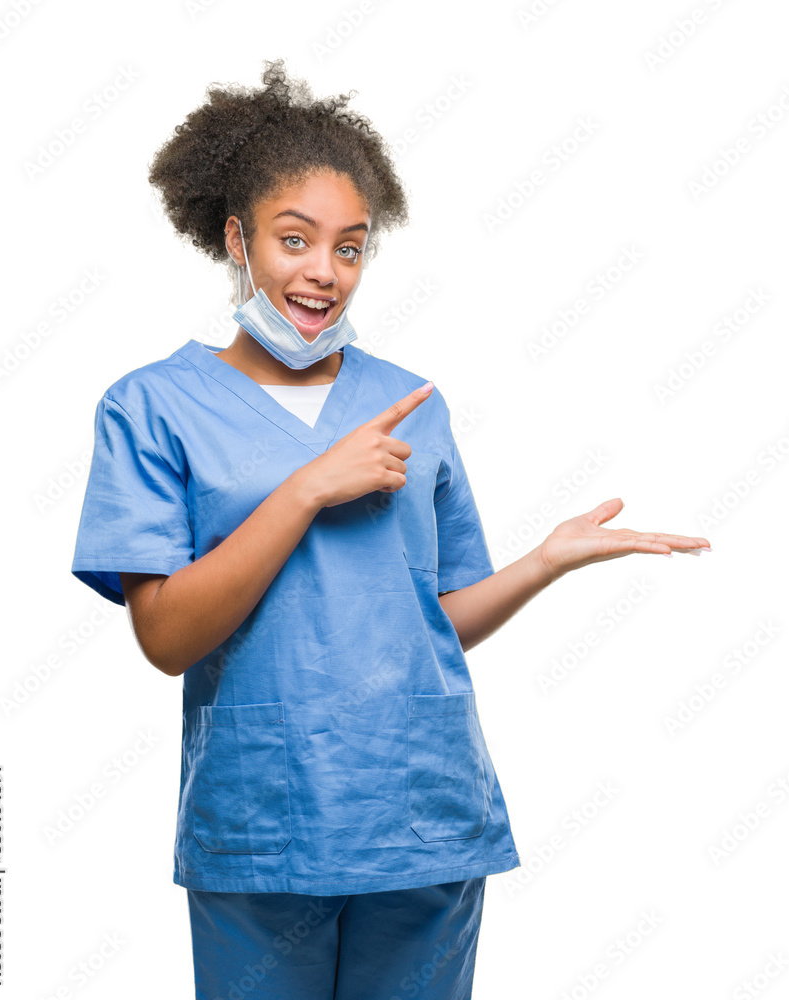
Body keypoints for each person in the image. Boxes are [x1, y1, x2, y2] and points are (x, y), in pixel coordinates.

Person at [70, 59, 711, 1000]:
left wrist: (542, 563)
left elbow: (425, 621)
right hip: (265, 822)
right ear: (237, 238)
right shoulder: (152, 406)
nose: (323, 273)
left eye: (351, 247)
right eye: (295, 240)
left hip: (423, 810)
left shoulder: (410, 404)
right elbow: (166, 638)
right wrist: (302, 491)